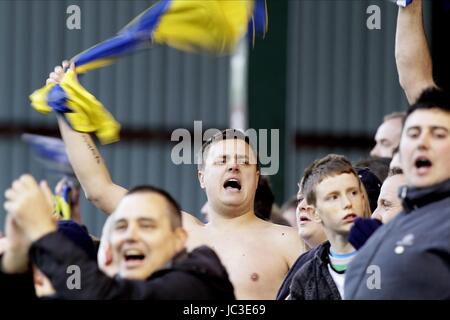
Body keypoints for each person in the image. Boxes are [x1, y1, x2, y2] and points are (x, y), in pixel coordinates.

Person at [46, 63, 303, 299]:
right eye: (222, 160)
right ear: (202, 177)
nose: (233, 165)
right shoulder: (179, 231)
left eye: (244, 162)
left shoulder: (288, 240)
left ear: (257, 178)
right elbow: (100, 190)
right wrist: (65, 111)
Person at [345, 0, 450, 299]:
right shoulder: (398, 223)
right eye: (413, 132)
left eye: (438, 133)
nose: (421, 141)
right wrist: (409, 4)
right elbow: (414, 80)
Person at [3, 177, 235, 300]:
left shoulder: (200, 281)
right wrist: (15, 255)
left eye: (146, 225)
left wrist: (44, 233)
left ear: (179, 239)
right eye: (121, 227)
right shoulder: (102, 286)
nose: (130, 236)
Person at [288, 154, 371, 300]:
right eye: (334, 197)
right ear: (315, 213)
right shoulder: (306, 277)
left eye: (353, 193)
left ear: (363, 200)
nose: (347, 203)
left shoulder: (389, 256)